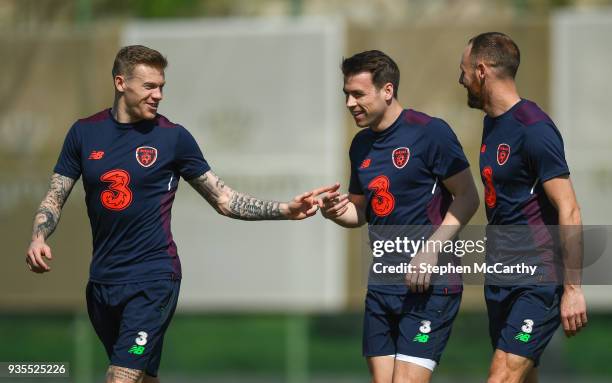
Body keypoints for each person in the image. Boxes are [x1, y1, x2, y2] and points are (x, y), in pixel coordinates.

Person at [25, 45, 330, 383]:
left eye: (161, 87)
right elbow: (56, 193)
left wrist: (285, 210)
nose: (158, 95)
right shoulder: (84, 133)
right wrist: (39, 236)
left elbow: (224, 199)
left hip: (153, 281)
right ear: (120, 83)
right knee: (142, 377)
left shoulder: (173, 138)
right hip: (102, 283)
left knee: (120, 377)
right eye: (149, 87)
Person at [319, 50, 479, 383]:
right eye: (346, 94)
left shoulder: (430, 132)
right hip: (382, 283)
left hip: (430, 284)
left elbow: (467, 197)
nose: (349, 102)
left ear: (387, 91)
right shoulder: (360, 145)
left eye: (358, 94)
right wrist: (336, 211)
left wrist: (431, 249)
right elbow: (360, 211)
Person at [458, 32, 587, 383]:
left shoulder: (534, 128)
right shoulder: (492, 124)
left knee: (501, 376)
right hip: (502, 277)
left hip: (538, 278)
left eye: (464, 71)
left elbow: (569, 209)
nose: (461, 80)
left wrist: (573, 290)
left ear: (481, 71)